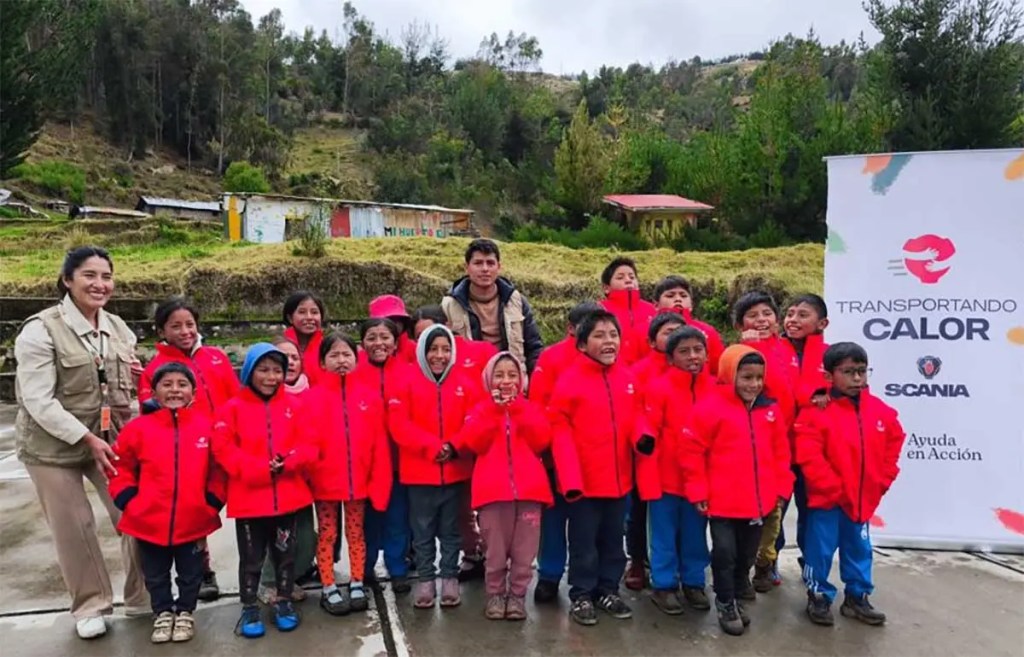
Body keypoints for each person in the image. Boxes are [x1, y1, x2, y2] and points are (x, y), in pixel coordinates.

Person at [13, 245, 148, 639]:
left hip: (107, 439)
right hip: (52, 448)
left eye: (106, 276)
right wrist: (86, 437)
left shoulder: (119, 328)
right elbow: (37, 399)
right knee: (76, 526)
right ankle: (91, 605)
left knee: (135, 514)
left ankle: (141, 595)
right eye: (89, 275)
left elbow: (127, 389)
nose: (99, 284)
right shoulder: (40, 330)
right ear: (68, 280)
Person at [444, 352, 581, 621]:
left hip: (530, 493)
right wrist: (495, 411)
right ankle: (495, 594)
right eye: (499, 375)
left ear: (521, 380)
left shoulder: (530, 408)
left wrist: (517, 408)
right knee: (494, 550)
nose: (506, 381)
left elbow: (540, 439)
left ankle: (517, 596)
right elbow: (475, 443)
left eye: (512, 375)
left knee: (524, 550)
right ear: (488, 380)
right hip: (492, 495)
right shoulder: (479, 410)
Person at [548, 309, 657, 627]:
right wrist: (569, 479)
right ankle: (581, 594)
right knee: (583, 543)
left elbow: (637, 415)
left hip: (620, 480)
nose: (609, 341)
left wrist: (643, 437)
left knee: (613, 542)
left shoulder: (627, 378)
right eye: (599, 335)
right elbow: (560, 433)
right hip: (583, 484)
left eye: (613, 335)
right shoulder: (570, 382)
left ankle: (607, 589)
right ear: (581, 345)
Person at [680, 345, 793, 636]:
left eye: (758, 377)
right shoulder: (710, 407)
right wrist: (698, 491)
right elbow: (692, 452)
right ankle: (726, 600)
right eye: (746, 377)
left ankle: (739, 586)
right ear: (730, 374)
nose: (753, 384)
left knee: (746, 553)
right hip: (722, 502)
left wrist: (782, 487)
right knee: (724, 553)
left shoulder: (770, 409)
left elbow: (781, 452)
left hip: (759, 502)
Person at [109, 363, 225, 643]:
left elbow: (218, 470)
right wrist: (128, 499)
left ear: (193, 392)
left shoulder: (205, 427)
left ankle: (185, 610)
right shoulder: (137, 430)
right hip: (148, 519)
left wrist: (211, 502)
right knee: (155, 573)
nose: (175, 390)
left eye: (182, 384)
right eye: (167, 384)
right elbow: (120, 468)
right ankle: (162, 612)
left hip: (193, 519)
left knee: (191, 571)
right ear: (155, 391)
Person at [796, 342, 904, 627]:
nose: (857, 378)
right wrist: (832, 488)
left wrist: (882, 479)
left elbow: (895, 442)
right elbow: (808, 454)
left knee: (859, 549)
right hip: (827, 501)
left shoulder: (882, 412)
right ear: (829, 376)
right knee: (819, 550)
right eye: (848, 372)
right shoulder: (816, 412)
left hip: (862, 500)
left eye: (861, 371)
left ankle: (857, 597)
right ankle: (818, 595)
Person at [211, 343, 316, 638]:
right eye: (264, 369)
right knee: (252, 558)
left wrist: (288, 462)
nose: (271, 377)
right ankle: (249, 606)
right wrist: (259, 468)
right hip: (249, 501)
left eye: (277, 370)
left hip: (288, 497)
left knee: (286, 555)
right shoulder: (230, 410)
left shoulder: (295, 407)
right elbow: (223, 449)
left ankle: (284, 601)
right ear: (249, 372)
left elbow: (310, 445)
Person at [138, 296, 238, 601]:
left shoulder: (215, 357)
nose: (185, 331)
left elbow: (236, 398)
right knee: (196, 512)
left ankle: (264, 568)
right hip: (188, 454)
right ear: (161, 331)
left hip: (227, 446)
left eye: (190, 324)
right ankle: (203, 570)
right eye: (175, 326)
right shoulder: (155, 369)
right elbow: (150, 411)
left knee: (245, 507)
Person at [387, 324, 481, 609]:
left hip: (455, 472)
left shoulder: (465, 382)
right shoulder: (404, 380)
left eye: (446, 349)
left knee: (452, 531)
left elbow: (475, 420)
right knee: (423, 531)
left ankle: (449, 577)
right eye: (433, 349)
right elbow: (399, 424)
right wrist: (432, 447)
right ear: (421, 350)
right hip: (419, 474)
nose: (440, 355)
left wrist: (453, 446)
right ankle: (426, 580)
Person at [307, 333, 393, 616]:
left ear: (357, 360)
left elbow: (379, 444)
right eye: (334, 355)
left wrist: (378, 482)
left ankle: (357, 580)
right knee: (328, 535)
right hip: (324, 485)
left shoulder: (369, 397)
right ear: (322, 362)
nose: (341, 361)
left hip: (359, 483)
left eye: (347, 355)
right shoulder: (313, 398)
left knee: (356, 534)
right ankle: (328, 585)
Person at [411, 304, 496, 581]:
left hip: (476, 444)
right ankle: (472, 552)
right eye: (422, 338)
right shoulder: (415, 373)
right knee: (456, 514)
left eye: (436, 335)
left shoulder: (480, 352)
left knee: (484, 506)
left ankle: (491, 555)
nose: (433, 347)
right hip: (441, 456)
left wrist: (458, 442)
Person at [529, 301, 601, 604]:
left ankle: (586, 578)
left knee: (589, 527)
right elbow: (537, 404)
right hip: (556, 456)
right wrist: (547, 447)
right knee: (554, 521)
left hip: (594, 459)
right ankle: (549, 575)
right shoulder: (552, 358)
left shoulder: (607, 359)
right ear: (571, 329)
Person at [644, 326, 716, 615]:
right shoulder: (659, 388)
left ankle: (694, 582)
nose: (693, 356)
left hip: (702, 480)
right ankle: (663, 585)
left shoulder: (716, 388)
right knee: (663, 534)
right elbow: (649, 426)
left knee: (696, 534)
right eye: (684, 351)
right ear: (670, 358)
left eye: (698, 350)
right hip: (666, 477)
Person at [732, 291, 799, 594]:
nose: (761, 320)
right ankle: (743, 567)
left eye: (766, 313)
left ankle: (767, 562)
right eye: (753, 315)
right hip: (754, 446)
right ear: (739, 324)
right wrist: (753, 346)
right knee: (751, 511)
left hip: (789, 444)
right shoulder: (735, 352)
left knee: (777, 510)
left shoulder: (790, 350)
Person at [623, 311, 686, 591]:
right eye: (668, 331)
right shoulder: (638, 372)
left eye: (680, 331)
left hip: (680, 457)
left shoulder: (694, 370)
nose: (674, 336)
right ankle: (637, 559)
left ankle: (679, 566)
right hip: (644, 453)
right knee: (638, 511)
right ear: (652, 341)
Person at [256, 337, 318, 605]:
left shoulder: (311, 392)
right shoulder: (259, 399)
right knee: (275, 536)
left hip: (306, 476)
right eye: (283, 358)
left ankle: (293, 575)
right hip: (273, 479)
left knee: (303, 536)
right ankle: (269, 582)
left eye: (294, 357)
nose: (289, 362)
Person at [355, 318, 414, 594]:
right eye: (371, 337)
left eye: (385, 337)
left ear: (395, 342)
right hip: (363, 463)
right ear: (362, 343)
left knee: (397, 519)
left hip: (400, 462)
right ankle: (364, 569)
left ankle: (398, 567)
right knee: (367, 520)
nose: (379, 343)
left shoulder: (409, 372)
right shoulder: (353, 374)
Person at [773, 293, 831, 575]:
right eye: (790, 313)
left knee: (812, 510)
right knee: (775, 510)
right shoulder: (772, 351)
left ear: (822, 323)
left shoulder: (831, 355)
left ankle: (812, 564)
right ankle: (767, 562)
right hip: (779, 446)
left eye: (803, 315)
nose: (793, 320)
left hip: (814, 450)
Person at [441, 238, 544, 374]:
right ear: (467, 267)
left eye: (490, 263)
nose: (485, 269)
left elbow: (534, 347)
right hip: (469, 380)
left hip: (513, 380)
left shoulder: (517, 301)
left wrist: (533, 379)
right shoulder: (449, 305)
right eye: (478, 263)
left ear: (498, 267)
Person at [652, 275, 725, 375]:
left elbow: (719, 369)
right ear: (656, 305)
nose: (678, 299)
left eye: (683, 295)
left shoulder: (708, 331)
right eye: (670, 296)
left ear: (691, 305)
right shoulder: (645, 330)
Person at [598, 257, 658, 366]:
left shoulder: (652, 310)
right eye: (620, 278)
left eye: (632, 277)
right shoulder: (599, 310)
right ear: (606, 288)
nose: (628, 280)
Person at [282, 291, 326, 385]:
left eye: (314, 312)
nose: (309, 317)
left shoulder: (328, 348)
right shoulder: (278, 348)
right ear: (290, 318)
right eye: (302, 312)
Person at [369, 294, 417, 365]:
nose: (394, 325)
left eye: (398, 320)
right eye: (389, 320)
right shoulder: (364, 354)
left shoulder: (415, 350)